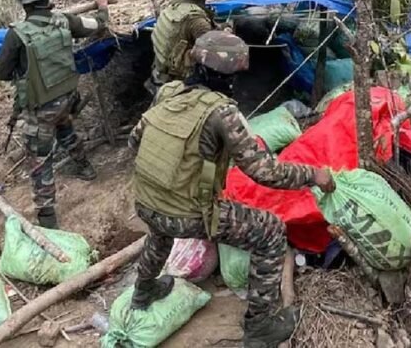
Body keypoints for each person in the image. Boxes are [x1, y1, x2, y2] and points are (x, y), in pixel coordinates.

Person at [128, 31, 336, 347]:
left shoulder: (167, 93)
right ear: (230, 75)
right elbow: (265, 172)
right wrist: (314, 175)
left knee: (160, 230)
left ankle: (143, 291)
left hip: (146, 202)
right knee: (270, 231)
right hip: (186, 213)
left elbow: (135, 142)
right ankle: (260, 327)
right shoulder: (222, 112)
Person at [0, 0, 109, 229]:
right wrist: (102, 6)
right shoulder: (65, 21)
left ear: (24, 3)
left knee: (40, 162)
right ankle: (85, 167)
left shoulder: (16, 35)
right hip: (67, 99)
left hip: (40, 110)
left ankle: (47, 220)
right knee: (66, 129)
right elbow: (98, 24)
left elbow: (2, 73)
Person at [146, 0, 217, 94]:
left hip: (159, 77)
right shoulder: (196, 20)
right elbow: (215, 59)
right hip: (178, 88)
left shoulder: (173, 6)